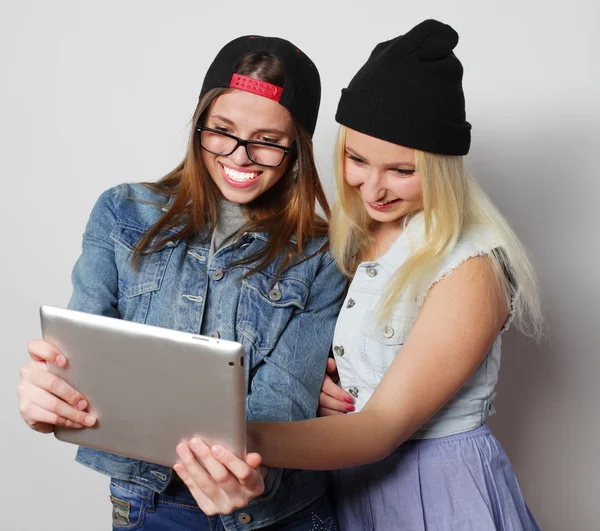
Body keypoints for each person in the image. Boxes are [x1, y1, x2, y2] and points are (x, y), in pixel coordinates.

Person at [174, 20, 544, 530]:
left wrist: (237, 436)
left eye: (402, 170)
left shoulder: (472, 267)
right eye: (356, 158)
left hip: (439, 495)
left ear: (441, 168)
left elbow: (381, 427)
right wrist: (318, 379)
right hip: (348, 490)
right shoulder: (352, 241)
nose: (373, 188)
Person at [17, 35, 346, 530]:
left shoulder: (324, 253)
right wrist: (55, 398)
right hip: (151, 505)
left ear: (296, 149)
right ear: (199, 126)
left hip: (281, 512)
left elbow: (287, 398)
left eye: (268, 141)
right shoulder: (122, 213)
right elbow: (85, 354)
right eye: (223, 131)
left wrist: (243, 464)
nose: (241, 156)